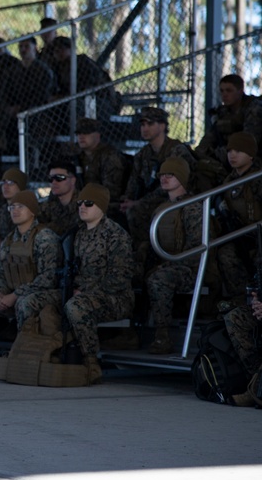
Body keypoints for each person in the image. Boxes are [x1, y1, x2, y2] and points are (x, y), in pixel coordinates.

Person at [0, 190, 61, 373]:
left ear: (32, 211)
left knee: (25, 303)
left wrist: (14, 296)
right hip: (12, 294)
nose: (15, 211)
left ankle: (23, 354)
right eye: (12, 207)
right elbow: (1, 273)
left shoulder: (45, 238)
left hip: (42, 294)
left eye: (20, 207)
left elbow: (48, 278)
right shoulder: (9, 240)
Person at [62, 183, 135, 383]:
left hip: (115, 298)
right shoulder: (78, 234)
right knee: (41, 300)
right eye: (80, 203)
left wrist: (83, 292)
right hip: (84, 294)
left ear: (101, 206)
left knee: (76, 306)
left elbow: (118, 279)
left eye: (89, 203)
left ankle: (91, 361)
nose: (82, 207)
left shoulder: (116, 235)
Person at [142, 157, 204, 355]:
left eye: (171, 174)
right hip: (168, 265)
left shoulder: (193, 206)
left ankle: (163, 336)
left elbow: (197, 249)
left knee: (158, 279)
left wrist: (167, 266)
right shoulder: (161, 209)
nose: (164, 178)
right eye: (162, 174)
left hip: (189, 269)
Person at [120, 106, 196, 248]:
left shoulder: (176, 150)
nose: (145, 128)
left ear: (162, 126)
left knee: (135, 212)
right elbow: (134, 181)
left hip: (176, 200)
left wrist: (138, 203)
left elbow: (174, 185)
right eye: (142, 125)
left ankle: (145, 252)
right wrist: (127, 199)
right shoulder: (143, 154)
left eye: (150, 124)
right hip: (150, 201)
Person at [214, 133, 262, 305]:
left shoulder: (257, 178)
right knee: (226, 254)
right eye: (230, 150)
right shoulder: (229, 180)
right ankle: (239, 299)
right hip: (240, 235)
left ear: (250, 154)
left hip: (257, 235)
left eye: (239, 151)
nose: (232, 155)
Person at [74, 118, 128, 211]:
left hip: (105, 205)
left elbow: (111, 191)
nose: (81, 136)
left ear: (97, 135)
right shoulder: (78, 157)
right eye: (79, 133)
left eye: (86, 132)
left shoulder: (109, 156)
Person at [39, 160, 81, 236]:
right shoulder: (49, 205)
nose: (54, 182)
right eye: (51, 179)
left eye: (59, 178)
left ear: (72, 180)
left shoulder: (84, 204)